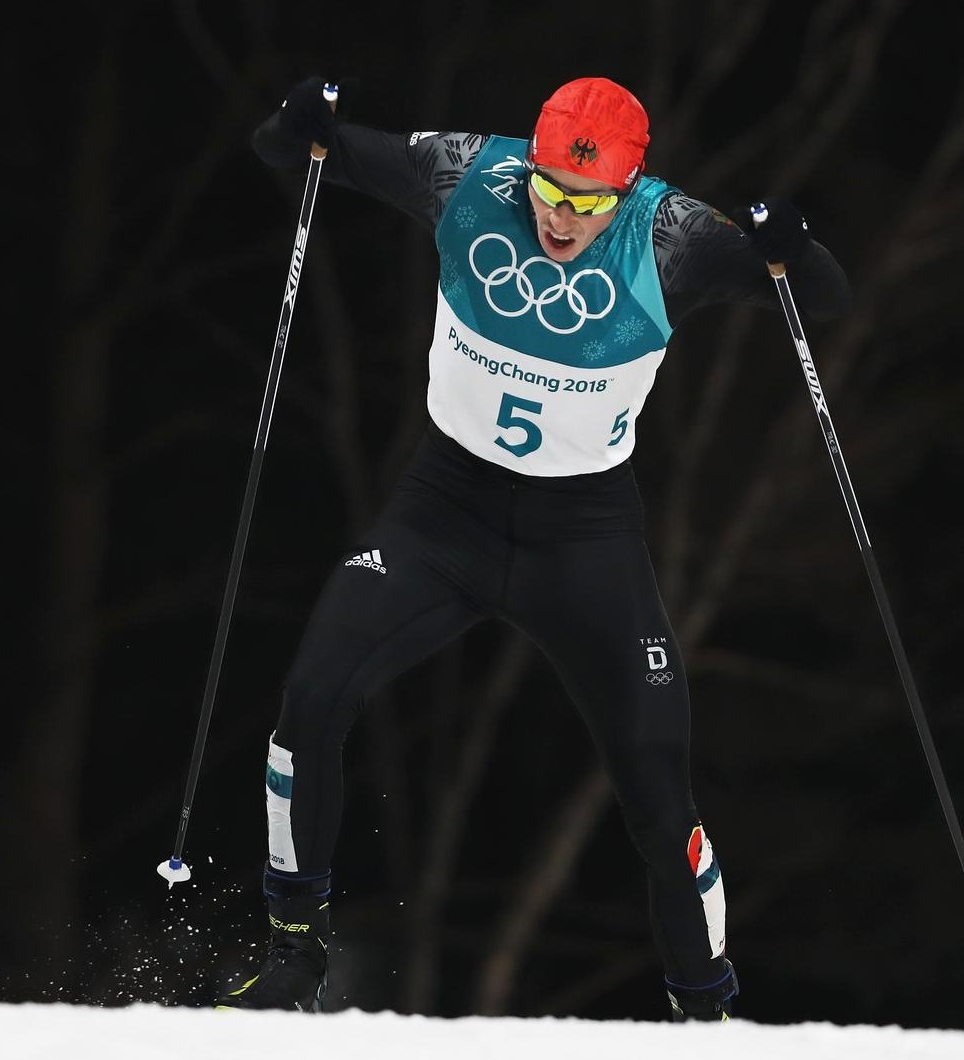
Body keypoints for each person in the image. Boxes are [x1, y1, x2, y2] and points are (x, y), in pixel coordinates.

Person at [223, 75, 853, 1021]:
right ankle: (292, 958)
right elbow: (300, 151)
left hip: (584, 540)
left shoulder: (673, 234)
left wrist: (788, 245)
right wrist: (297, 123)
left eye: (588, 202)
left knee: (655, 784)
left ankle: (708, 1015)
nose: (560, 219)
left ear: (628, 189)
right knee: (312, 696)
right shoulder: (468, 173)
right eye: (549, 191)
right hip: (444, 516)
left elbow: (826, 298)